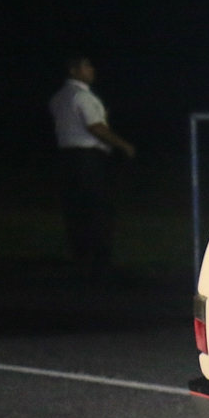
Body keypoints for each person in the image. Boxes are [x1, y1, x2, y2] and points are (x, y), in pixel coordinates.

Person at [49, 55, 135, 278]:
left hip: (67, 157)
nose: (91, 71)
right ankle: (100, 260)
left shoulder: (59, 96)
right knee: (98, 207)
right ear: (73, 70)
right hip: (89, 158)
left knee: (75, 209)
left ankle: (81, 257)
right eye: (86, 67)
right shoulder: (83, 96)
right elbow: (95, 127)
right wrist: (123, 145)